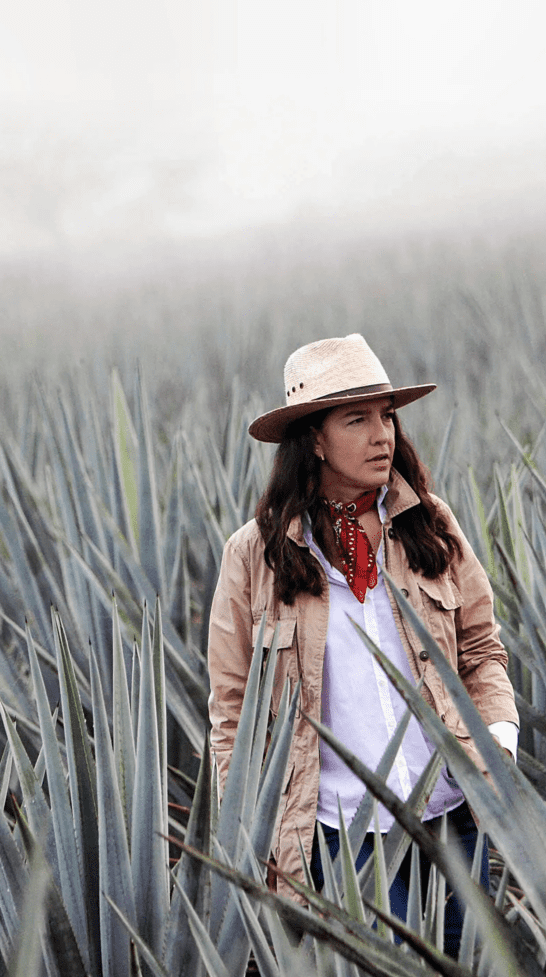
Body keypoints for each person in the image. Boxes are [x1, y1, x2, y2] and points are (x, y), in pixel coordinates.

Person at [207, 333, 519, 957]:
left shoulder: (430, 523)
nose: (383, 436)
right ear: (314, 440)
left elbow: (483, 650)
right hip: (342, 842)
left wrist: (499, 741)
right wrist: (256, 830)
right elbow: (231, 711)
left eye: (387, 416)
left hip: (454, 816)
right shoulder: (254, 555)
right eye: (358, 419)